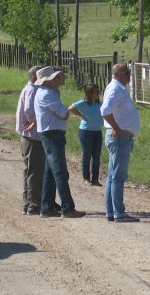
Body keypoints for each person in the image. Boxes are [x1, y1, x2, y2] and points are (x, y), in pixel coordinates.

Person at [34, 66, 85, 218]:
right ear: (49, 80)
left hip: (51, 134)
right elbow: (64, 114)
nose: (60, 79)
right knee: (60, 171)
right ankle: (67, 207)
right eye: (57, 77)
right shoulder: (47, 94)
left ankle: (47, 206)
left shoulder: (48, 93)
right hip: (52, 135)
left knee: (50, 172)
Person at [100, 63, 140, 222]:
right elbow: (104, 110)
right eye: (127, 73)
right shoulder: (115, 89)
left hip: (120, 136)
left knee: (113, 175)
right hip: (119, 137)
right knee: (117, 176)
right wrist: (116, 127)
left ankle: (112, 211)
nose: (129, 76)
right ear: (119, 74)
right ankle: (119, 213)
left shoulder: (118, 88)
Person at [16, 66, 45, 215]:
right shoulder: (32, 90)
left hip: (27, 136)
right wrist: (35, 120)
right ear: (34, 76)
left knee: (29, 170)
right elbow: (28, 109)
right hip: (32, 136)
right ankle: (33, 205)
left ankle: (27, 204)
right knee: (34, 170)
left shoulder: (28, 88)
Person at [68, 83, 104, 187]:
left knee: (96, 156)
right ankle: (86, 178)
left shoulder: (100, 104)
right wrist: (81, 116)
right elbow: (71, 108)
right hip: (86, 132)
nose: (98, 94)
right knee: (87, 154)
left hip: (97, 132)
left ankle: (95, 179)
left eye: (99, 91)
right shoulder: (83, 103)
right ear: (90, 93)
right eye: (96, 92)